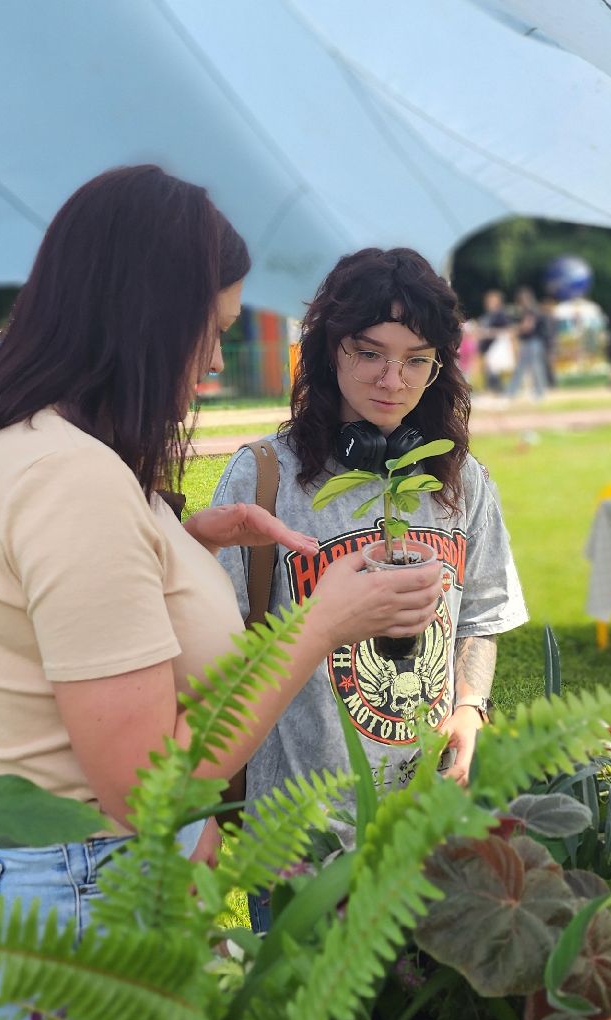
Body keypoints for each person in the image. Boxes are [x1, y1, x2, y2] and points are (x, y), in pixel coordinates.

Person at [0, 168, 443, 944]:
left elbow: (60, 613)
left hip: (48, 875)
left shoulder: (26, 440)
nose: (214, 363)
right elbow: (146, 792)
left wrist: (180, 545)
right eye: (214, 329)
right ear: (148, 320)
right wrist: (321, 623)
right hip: (76, 893)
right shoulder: (71, 480)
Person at [213, 247, 528, 931]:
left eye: (417, 360)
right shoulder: (264, 479)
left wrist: (470, 707)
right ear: (329, 349)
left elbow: (482, 611)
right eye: (370, 353)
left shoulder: (462, 481)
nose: (393, 380)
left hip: (431, 826)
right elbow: (214, 654)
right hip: (301, 839)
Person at [507, 286, 550, 402]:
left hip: (534, 342)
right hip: (529, 342)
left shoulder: (532, 311)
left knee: (535, 368)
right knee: (523, 367)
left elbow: (528, 326)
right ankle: (512, 392)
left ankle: (539, 393)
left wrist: (515, 329)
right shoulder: (530, 311)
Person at [475, 290, 514, 394]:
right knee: (489, 370)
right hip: (488, 348)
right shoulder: (488, 316)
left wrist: (488, 333)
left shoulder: (501, 315)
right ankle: (494, 390)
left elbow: (508, 331)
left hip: (496, 348)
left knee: (493, 369)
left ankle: (498, 390)